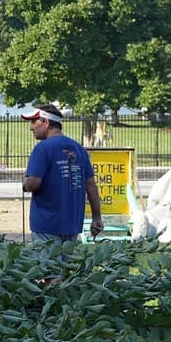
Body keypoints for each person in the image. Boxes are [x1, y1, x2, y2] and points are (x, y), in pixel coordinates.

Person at [21, 104, 103, 243]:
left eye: (34, 121)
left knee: (47, 264)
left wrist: (25, 183)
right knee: (65, 264)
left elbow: (33, 184)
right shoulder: (79, 149)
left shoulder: (42, 148)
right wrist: (97, 218)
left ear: (46, 122)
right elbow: (91, 185)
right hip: (72, 224)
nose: (31, 127)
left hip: (46, 225)